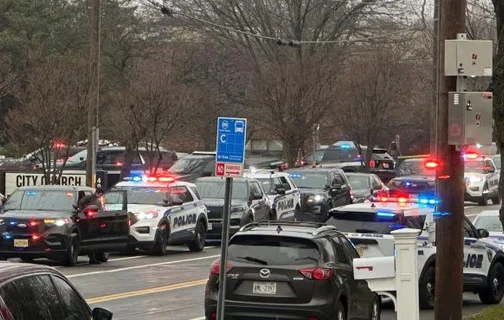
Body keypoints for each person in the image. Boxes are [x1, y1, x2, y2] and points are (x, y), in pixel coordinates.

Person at [78, 187, 105, 264]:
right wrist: (83, 212)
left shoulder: (98, 201)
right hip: (88, 221)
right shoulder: (89, 198)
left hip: (96, 221)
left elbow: (100, 209)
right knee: (90, 239)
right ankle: (92, 258)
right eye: (101, 194)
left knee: (95, 240)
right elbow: (80, 203)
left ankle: (94, 257)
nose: (101, 196)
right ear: (99, 193)